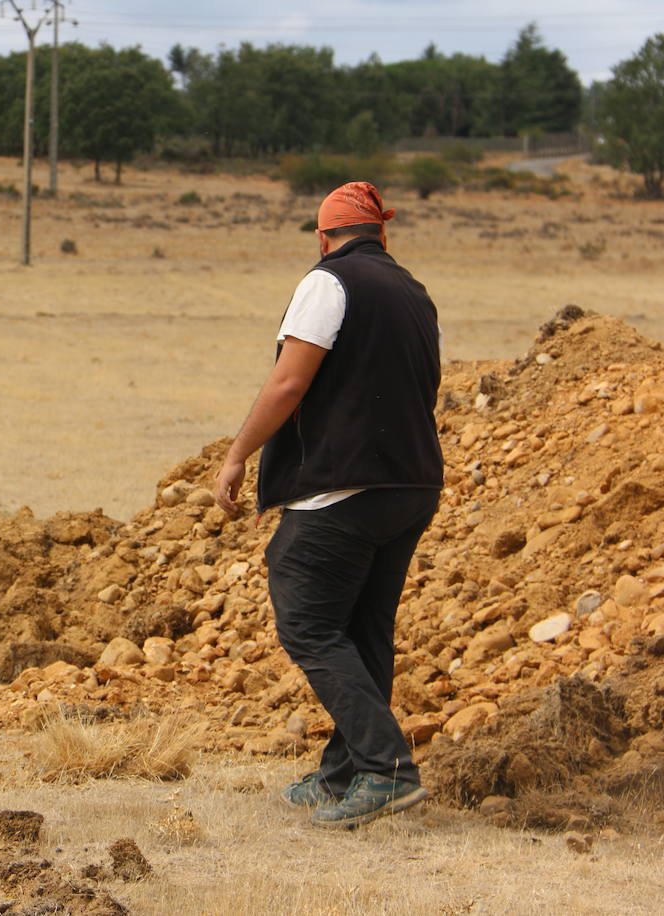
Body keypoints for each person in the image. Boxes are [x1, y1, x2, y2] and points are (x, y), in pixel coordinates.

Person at [213, 181, 443, 829]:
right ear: (382, 234)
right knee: (365, 630)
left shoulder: (328, 283)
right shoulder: (414, 295)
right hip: (413, 484)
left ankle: (387, 769)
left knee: (308, 621)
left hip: (346, 485)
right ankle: (346, 772)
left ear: (324, 236)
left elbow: (290, 381)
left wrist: (237, 456)